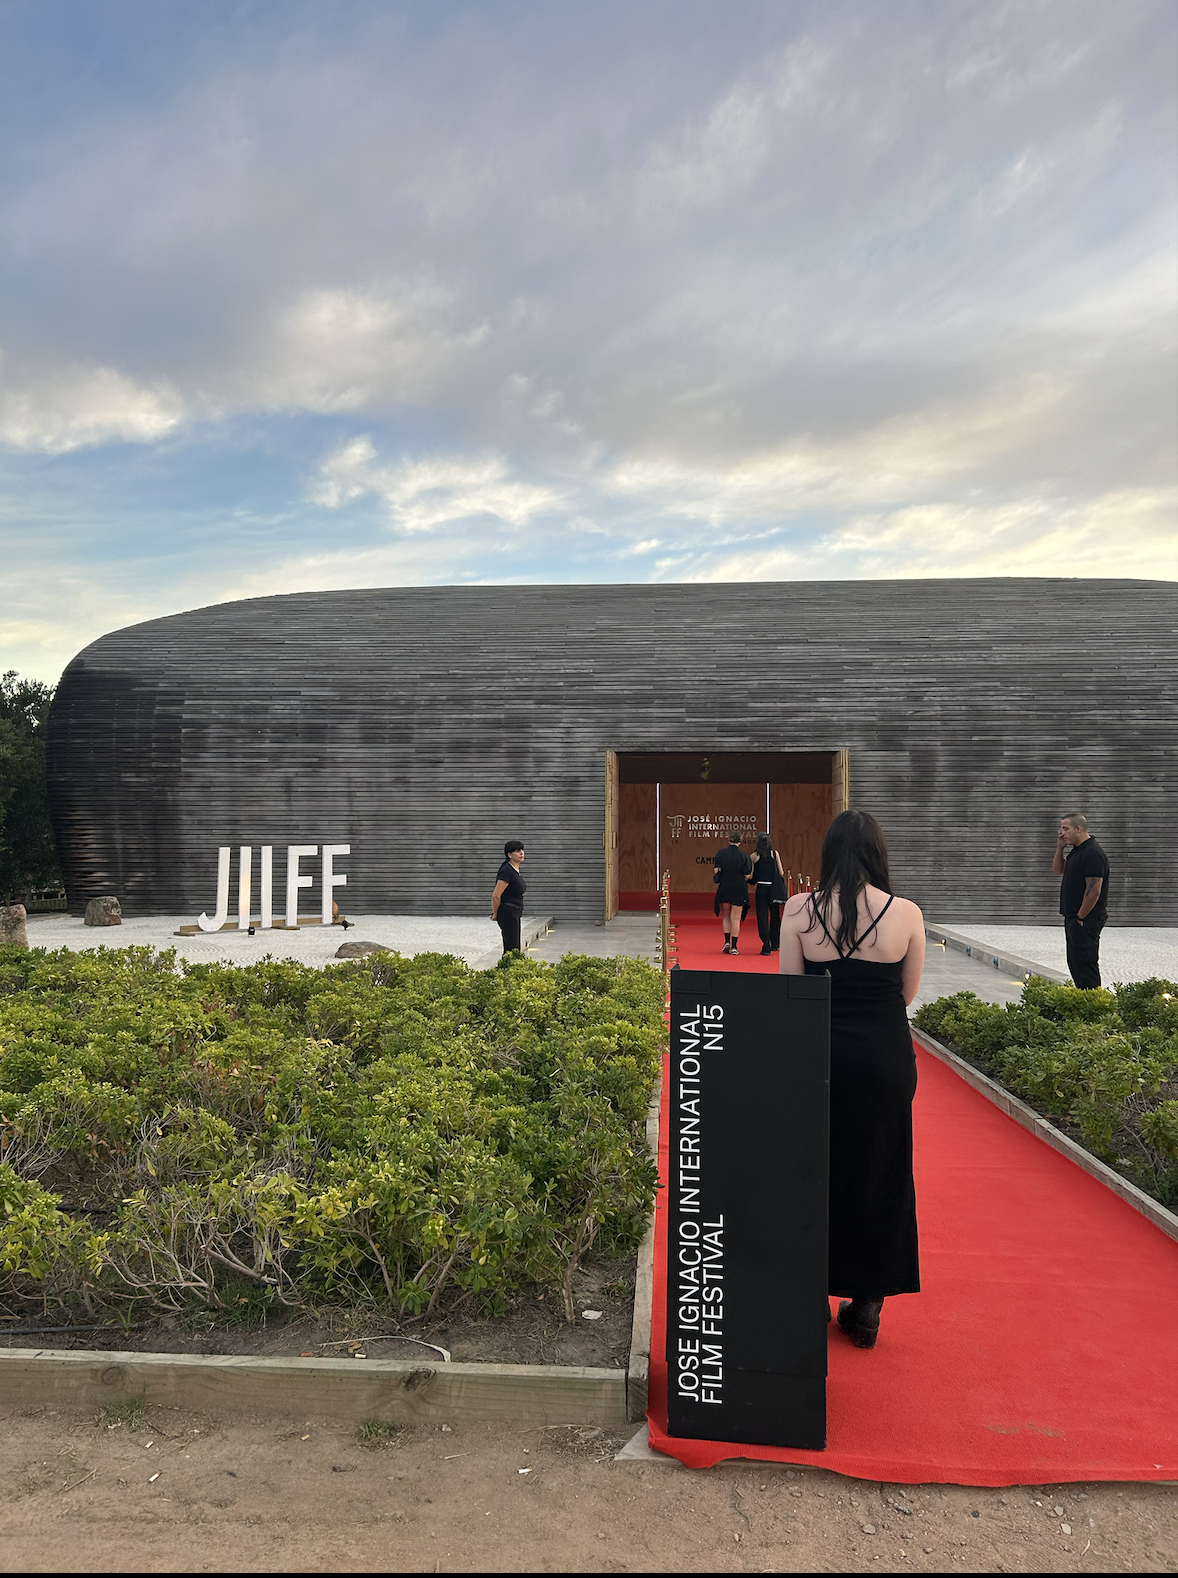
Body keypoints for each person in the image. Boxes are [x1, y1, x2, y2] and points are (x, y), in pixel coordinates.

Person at [778, 809, 925, 1349]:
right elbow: (905, 993)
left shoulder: (800, 909)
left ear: (828, 852)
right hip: (883, 1058)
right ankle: (867, 1304)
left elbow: (790, 991)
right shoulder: (905, 913)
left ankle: (808, 1289)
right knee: (881, 1169)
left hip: (817, 1055)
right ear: (877, 854)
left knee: (812, 1169)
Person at [1052, 812, 1109, 989]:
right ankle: (1083, 998)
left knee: (1085, 964)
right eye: (1061, 828)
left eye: (1065, 828)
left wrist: (1080, 917)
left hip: (1086, 918)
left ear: (1078, 829)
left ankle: (1093, 1001)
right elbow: (1058, 870)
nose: (1062, 833)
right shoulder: (1077, 850)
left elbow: (1094, 890)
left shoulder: (1092, 852)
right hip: (1074, 916)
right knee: (1075, 963)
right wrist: (1060, 848)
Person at [713, 833, 752, 955]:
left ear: (729, 840)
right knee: (735, 917)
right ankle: (734, 946)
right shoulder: (744, 855)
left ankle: (726, 942)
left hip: (725, 885)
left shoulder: (721, 853)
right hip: (739, 887)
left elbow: (716, 871)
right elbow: (748, 875)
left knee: (726, 914)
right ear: (740, 841)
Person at [750, 831, 787, 955]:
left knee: (762, 916)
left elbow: (751, 876)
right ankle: (775, 943)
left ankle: (766, 943)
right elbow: (781, 872)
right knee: (775, 915)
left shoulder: (754, 856)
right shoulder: (774, 854)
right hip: (773, 888)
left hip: (761, 887)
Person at [490, 839, 527, 955]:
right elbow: (496, 896)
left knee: (514, 945)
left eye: (522, 850)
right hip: (508, 911)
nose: (521, 853)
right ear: (509, 855)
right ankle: (508, 965)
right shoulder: (507, 871)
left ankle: (511, 964)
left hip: (514, 911)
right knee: (511, 947)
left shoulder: (515, 870)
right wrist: (496, 913)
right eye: (517, 851)